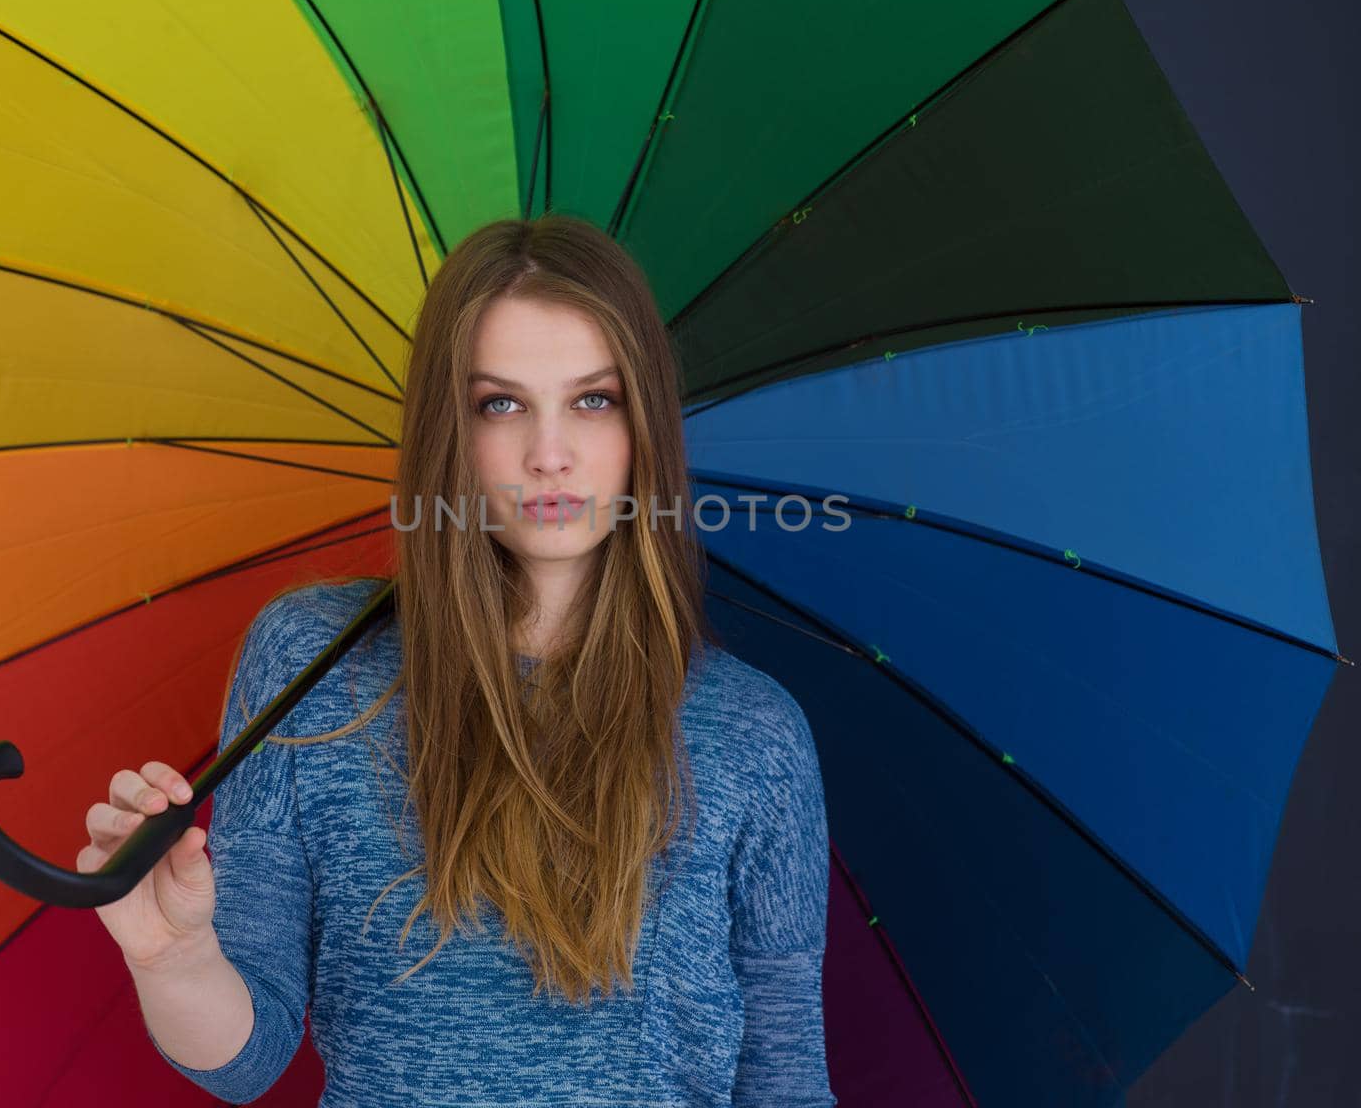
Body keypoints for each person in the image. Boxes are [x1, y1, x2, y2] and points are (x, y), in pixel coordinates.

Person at [76, 213, 836, 1106]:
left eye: (594, 399)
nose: (548, 455)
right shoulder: (311, 666)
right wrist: (173, 957)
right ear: (449, 429)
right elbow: (249, 1061)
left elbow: (784, 1083)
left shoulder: (754, 734)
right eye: (500, 403)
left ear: (645, 429)